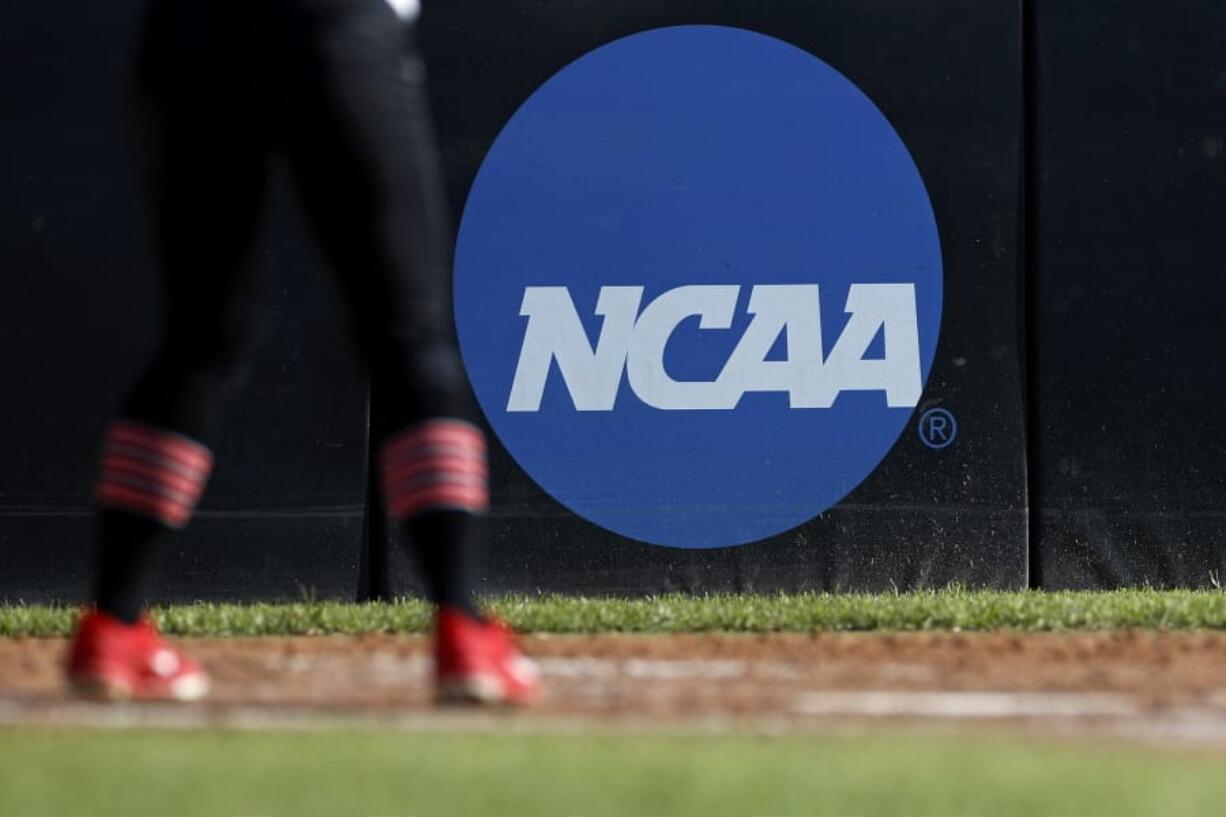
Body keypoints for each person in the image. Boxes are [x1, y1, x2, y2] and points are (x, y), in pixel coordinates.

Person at [64, 0, 539, 705]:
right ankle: (464, 628)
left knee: (197, 340)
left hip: (187, 34)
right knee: (409, 334)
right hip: (332, 26)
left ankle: (111, 625)